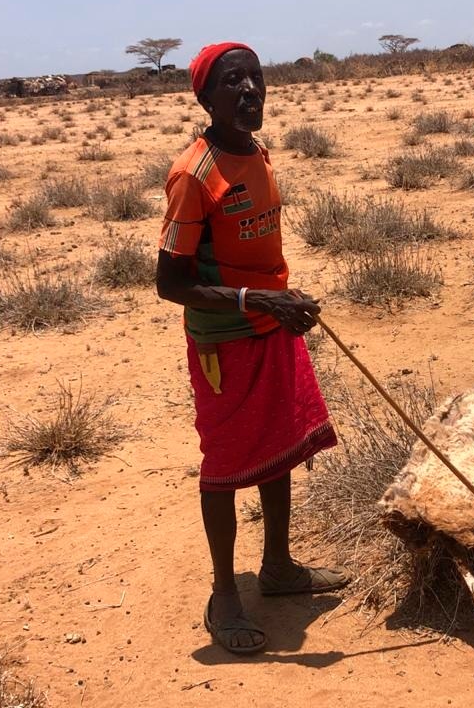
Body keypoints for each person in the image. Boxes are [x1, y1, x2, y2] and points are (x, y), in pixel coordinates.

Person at [156, 42, 347, 655]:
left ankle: (279, 568)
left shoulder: (258, 154)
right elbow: (171, 283)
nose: (249, 91)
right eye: (232, 82)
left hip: (271, 327)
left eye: (256, 79)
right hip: (226, 340)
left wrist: (282, 300)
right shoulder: (194, 174)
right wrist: (259, 302)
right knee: (225, 465)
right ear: (206, 98)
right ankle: (224, 596)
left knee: (278, 445)